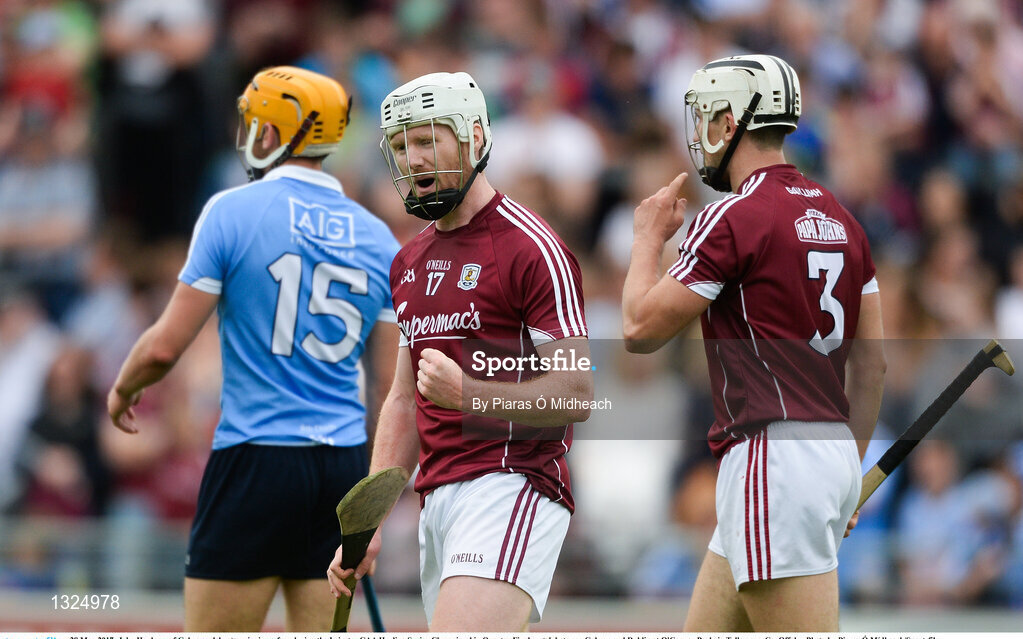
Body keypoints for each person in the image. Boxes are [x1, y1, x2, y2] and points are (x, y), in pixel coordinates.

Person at [107, 66, 401, 631]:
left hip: (254, 460)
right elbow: (389, 387)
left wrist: (125, 388)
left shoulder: (231, 211)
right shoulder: (379, 238)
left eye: (255, 122)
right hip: (341, 467)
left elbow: (165, 347)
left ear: (274, 133)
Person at [621, 55, 886, 631]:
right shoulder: (844, 220)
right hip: (822, 453)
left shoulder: (732, 216)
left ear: (730, 122)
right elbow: (873, 366)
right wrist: (847, 473)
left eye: (706, 118)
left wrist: (646, 240)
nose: (700, 133)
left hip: (772, 458)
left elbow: (640, 330)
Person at [326, 71, 594, 631]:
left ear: (474, 137)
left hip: (512, 482)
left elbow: (575, 391)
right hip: (437, 499)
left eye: (427, 140)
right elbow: (403, 402)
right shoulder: (409, 262)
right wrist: (371, 523)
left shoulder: (531, 247)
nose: (413, 159)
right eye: (400, 146)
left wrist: (468, 394)